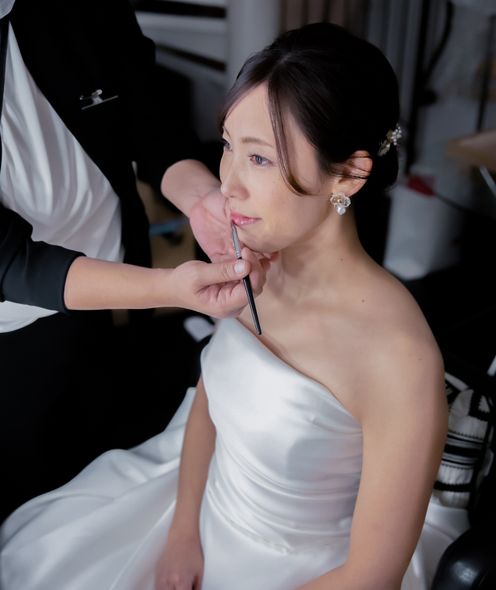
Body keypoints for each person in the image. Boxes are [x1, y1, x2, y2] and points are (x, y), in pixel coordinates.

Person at [0, 21, 470, 590]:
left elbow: (370, 577)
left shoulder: (399, 359)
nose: (227, 185)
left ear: (350, 173)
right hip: (197, 510)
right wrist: (182, 534)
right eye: (227, 146)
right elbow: (207, 402)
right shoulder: (256, 265)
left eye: (261, 159)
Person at [0, 0, 268, 523]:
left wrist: (202, 200)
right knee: (31, 498)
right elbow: (8, 262)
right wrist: (167, 287)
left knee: (102, 442)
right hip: (12, 329)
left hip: (112, 287)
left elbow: (150, 122)